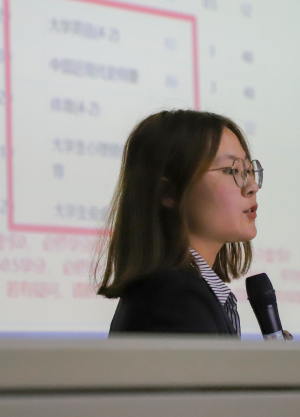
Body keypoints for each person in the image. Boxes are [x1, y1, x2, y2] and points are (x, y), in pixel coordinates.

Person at [95, 109, 262, 336]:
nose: (252, 186)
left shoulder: (180, 290)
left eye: (249, 170)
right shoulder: (174, 298)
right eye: (231, 170)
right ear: (168, 192)